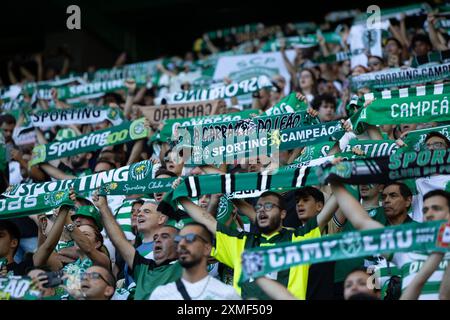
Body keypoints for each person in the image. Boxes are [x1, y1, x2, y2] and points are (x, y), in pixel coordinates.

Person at [174, 182, 338, 299]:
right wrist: (180, 196)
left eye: (268, 207)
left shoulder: (299, 239)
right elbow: (206, 220)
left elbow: (330, 207)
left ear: (283, 214)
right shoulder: (240, 242)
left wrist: (345, 170)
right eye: (258, 207)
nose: (261, 211)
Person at [91, 191, 183, 300]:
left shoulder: (183, 266)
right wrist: (103, 207)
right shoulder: (143, 265)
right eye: (138, 211)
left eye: (147, 211)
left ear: (161, 218)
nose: (139, 214)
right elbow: (118, 240)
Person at [149, 222, 240, 300]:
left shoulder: (227, 294)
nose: (182, 244)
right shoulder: (160, 295)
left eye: (190, 238)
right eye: (178, 240)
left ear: (207, 248)